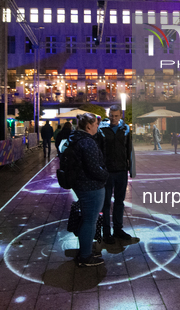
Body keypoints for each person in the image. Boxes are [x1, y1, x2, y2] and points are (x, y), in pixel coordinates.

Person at [62, 113, 109, 267]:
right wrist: (105, 176)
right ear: (88, 126)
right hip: (91, 187)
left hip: (82, 185)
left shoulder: (75, 138)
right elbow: (94, 168)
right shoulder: (87, 142)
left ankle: (86, 250)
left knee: (88, 220)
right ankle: (85, 256)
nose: (97, 126)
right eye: (96, 124)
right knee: (90, 221)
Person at [97, 105, 137, 244]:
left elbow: (129, 149)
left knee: (120, 202)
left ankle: (118, 230)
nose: (113, 118)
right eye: (111, 115)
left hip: (121, 170)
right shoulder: (101, 129)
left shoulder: (125, 129)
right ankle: (106, 233)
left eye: (116, 115)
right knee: (106, 203)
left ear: (121, 116)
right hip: (106, 171)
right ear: (108, 115)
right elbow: (98, 150)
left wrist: (131, 169)